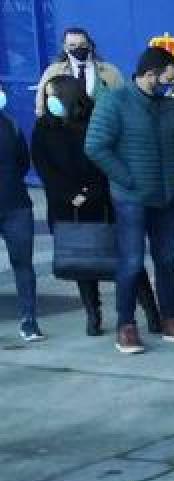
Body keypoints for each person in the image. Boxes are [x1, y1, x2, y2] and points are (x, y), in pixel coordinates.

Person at [85, 46, 174, 354]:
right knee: (132, 262)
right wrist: (127, 179)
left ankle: (171, 319)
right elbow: (95, 146)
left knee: (167, 260)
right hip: (131, 197)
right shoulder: (115, 103)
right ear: (150, 75)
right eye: (168, 79)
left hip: (167, 196)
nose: (171, 85)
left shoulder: (170, 106)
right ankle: (126, 325)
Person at [32, 75, 159, 338]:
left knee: (127, 257)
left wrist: (90, 192)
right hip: (67, 206)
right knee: (82, 261)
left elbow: (105, 157)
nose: (48, 101)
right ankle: (93, 313)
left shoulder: (94, 120)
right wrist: (70, 195)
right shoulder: (44, 128)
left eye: (52, 95)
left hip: (103, 201)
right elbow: (45, 169)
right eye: (46, 97)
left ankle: (150, 311)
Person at [0, 81, 40, 341]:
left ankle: (29, 320)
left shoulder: (11, 125)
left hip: (16, 205)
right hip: (14, 202)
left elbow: (24, 162)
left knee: (23, 264)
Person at [34, 27, 123, 116]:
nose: (78, 48)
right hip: (65, 127)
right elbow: (41, 104)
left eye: (82, 44)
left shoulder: (110, 72)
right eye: (72, 45)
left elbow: (123, 101)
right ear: (65, 48)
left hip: (103, 126)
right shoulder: (53, 72)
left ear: (90, 45)